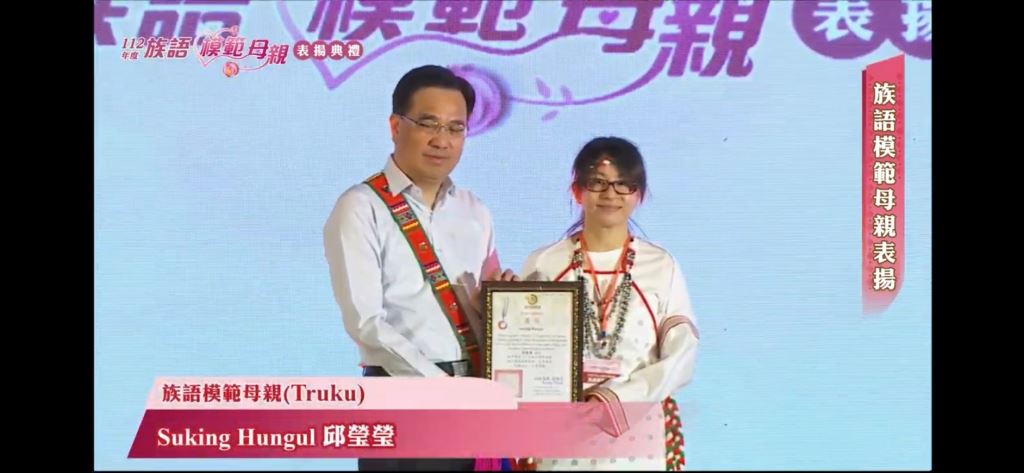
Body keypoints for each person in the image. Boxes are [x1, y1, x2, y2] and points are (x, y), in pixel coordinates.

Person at [323, 65, 515, 471]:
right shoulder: (360, 207)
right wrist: (442, 390)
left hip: (476, 395)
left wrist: (506, 306)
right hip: (402, 399)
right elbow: (366, 323)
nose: (442, 140)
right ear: (396, 126)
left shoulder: (475, 210)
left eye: (456, 128)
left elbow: (486, 310)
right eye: (428, 124)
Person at [518, 137, 699, 471]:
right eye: (597, 182)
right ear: (577, 190)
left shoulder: (661, 266)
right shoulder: (544, 263)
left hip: (637, 433)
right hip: (563, 435)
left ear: (639, 195)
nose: (610, 194)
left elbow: (681, 354)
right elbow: (522, 351)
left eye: (623, 184)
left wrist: (621, 399)